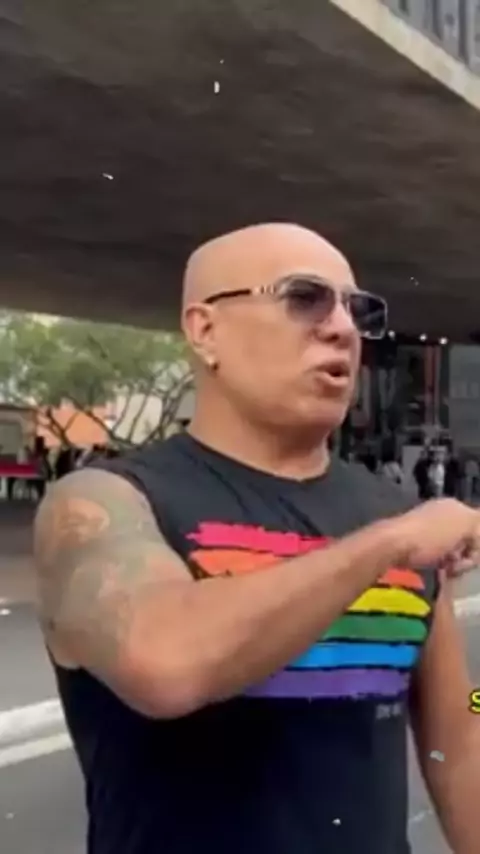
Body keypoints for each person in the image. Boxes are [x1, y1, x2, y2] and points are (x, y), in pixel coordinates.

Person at [33, 223, 480, 854]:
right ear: (204, 330)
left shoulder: (397, 515)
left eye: (357, 310)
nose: (342, 328)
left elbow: (458, 733)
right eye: (304, 297)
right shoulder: (102, 502)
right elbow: (164, 664)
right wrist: (389, 545)